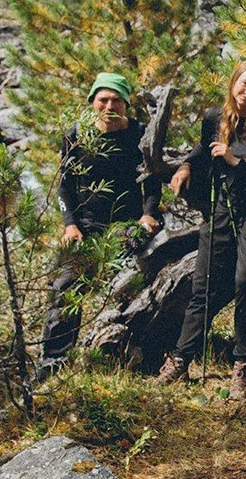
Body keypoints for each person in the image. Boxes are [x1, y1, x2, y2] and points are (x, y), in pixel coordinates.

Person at [161, 59, 246, 397]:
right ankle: (179, 359)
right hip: (222, 209)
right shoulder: (215, 118)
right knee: (203, 285)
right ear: (233, 83)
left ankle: (243, 364)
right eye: (243, 84)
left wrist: (234, 160)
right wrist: (186, 166)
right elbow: (204, 149)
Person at [38, 73, 162, 373]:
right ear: (92, 102)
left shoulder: (140, 134)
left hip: (127, 225)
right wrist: (70, 224)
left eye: (116, 100)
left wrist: (148, 214)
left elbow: (153, 181)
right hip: (87, 225)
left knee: (130, 287)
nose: (109, 106)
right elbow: (64, 186)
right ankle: (54, 360)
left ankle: (133, 353)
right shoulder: (76, 135)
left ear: (126, 104)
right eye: (102, 99)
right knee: (65, 286)